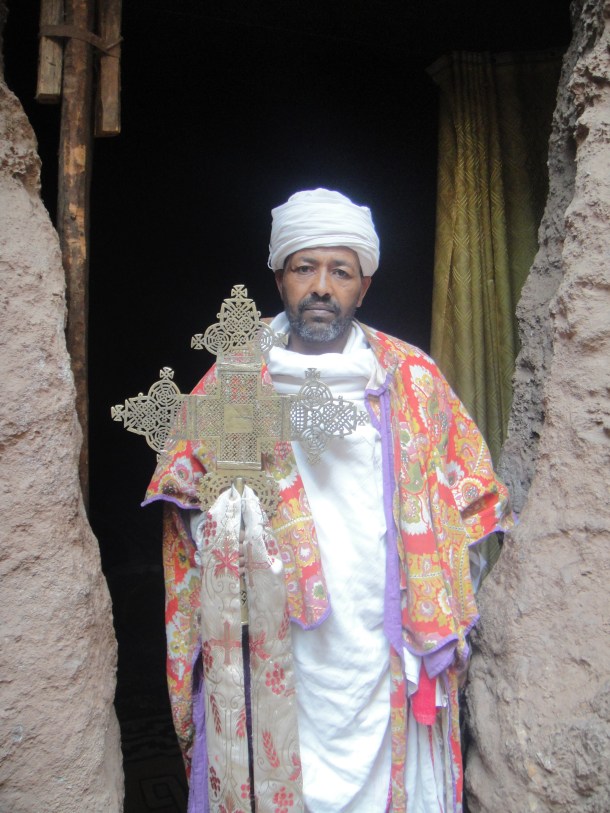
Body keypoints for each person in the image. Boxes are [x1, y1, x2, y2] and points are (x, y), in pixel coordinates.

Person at [144, 189, 513, 813]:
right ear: (279, 277)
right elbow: (183, 496)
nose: (320, 287)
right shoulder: (238, 380)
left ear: (363, 286)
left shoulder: (411, 379)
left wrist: (436, 583)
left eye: (339, 271)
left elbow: (474, 499)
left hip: (382, 638)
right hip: (275, 642)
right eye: (303, 268)